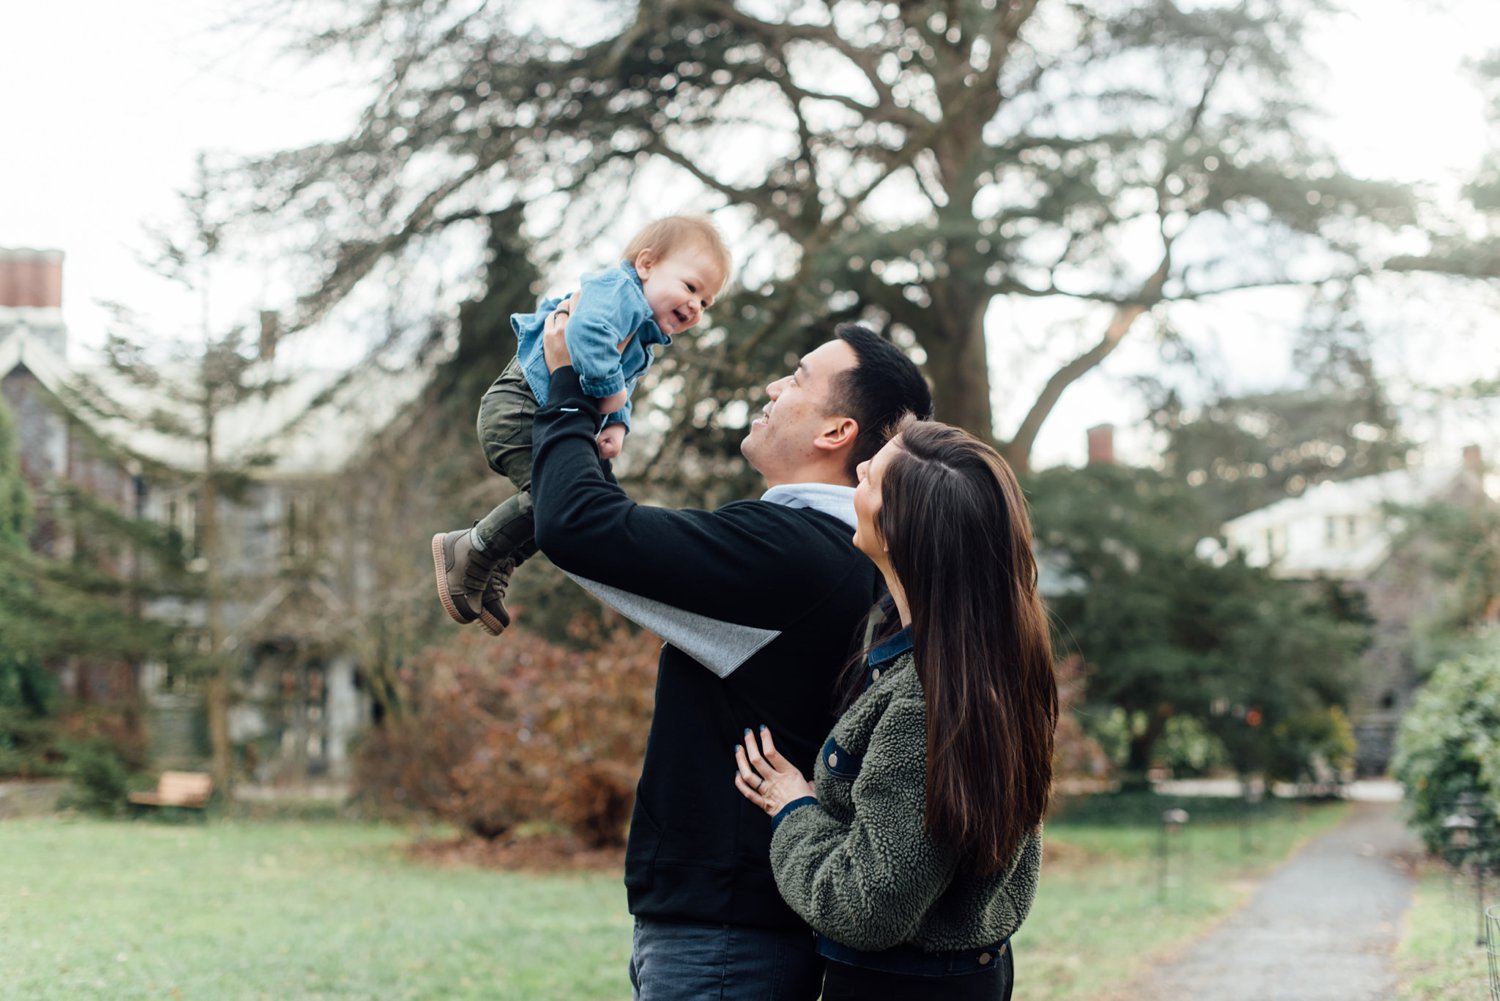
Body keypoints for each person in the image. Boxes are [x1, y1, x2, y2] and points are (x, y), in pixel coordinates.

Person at [531, 315, 933, 1001]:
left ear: (835, 433)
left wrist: (568, 388)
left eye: (800, 378)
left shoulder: (791, 553)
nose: (775, 385)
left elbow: (581, 529)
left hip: (728, 938)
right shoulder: (839, 556)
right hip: (747, 923)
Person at [734, 419, 1059, 1001]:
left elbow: (868, 908)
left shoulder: (925, 702)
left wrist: (794, 808)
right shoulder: (979, 665)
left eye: (873, 475)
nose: (857, 470)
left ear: (899, 530)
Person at [431, 214, 732, 634]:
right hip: (520, 408)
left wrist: (618, 423)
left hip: (545, 414)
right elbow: (586, 334)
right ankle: (473, 548)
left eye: (706, 302)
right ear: (646, 264)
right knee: (558, 498)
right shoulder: (617, 292)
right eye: (691, 287)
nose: (696, 307)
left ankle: (496, 560)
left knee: (579, 502)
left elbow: (623, 383)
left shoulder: (642, 331)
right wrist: (612, 394)